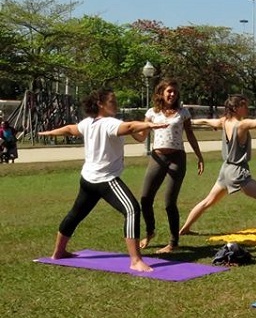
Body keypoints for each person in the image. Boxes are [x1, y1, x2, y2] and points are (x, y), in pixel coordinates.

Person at [37, 89, 167, 272]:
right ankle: (136, 260)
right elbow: (129, 127)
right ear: (100, 104)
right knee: (132, 209)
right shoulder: (110, 123)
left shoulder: (88, 123)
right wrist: (150, 126)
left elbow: (69, 129)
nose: (116, 104)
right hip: (106, 180)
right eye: (112, 101)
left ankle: (58, 253)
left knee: (75, 214)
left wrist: (50, 132)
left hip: (87, 179)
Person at [178, 94, 256, 248]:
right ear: (236, 108)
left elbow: (204, 121)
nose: (247, 108)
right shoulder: (241, 125)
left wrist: (185, 121)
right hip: (237, 172)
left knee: (208, 201)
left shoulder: (223, 122)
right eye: (244, 105)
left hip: (226, 170)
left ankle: (184, 229)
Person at [138, 79, 205, 253]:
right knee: (145, 198)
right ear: (161, 93)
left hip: (177, 158)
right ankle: (150, 231)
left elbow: (190, 135)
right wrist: (124, 131)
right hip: (157, 158)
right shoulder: (152, 112)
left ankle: (173, 242)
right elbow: (141, 135)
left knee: (169, 203)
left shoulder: (183, 113)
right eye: (169, 91)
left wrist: (199, 156)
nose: (172, 94)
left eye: (175, 92)